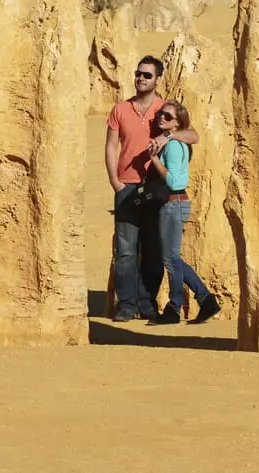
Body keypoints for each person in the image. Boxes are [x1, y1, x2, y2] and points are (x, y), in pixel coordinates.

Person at [105, 56, 199, 323]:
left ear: (158, 79)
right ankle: (126, 305)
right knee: (125, 249)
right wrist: (115, 180)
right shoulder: (120, 110)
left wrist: (167, 135)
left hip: (156, 190)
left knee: (154, 250)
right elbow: (111, 145)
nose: (141, 78)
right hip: (127, 185)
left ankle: (146, 303)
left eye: (147, 75)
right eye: (138, 74)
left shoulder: (165, 110)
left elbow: (193, 135)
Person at [147, 101, 221, 325]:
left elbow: (174, 180)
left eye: (167, 116)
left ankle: (174, 308)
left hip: (173, 203)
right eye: (160, 114)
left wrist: (153, 159)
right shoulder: (174, 141)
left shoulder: (172, 145)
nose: (161, 118)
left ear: (177, 122)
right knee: (173, 258)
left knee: (170, 258)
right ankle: (206, 300)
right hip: (175, 204)